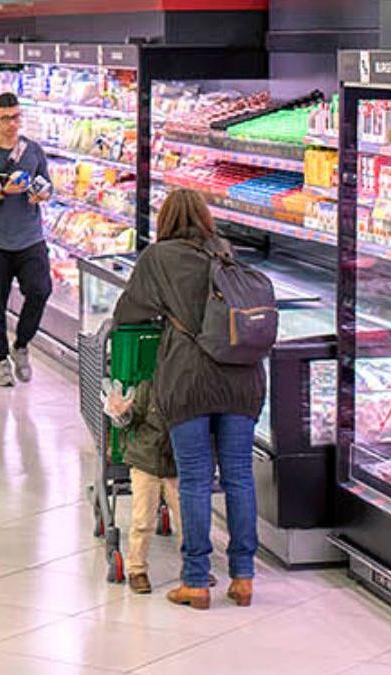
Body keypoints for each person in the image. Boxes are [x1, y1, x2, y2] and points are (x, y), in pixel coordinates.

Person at [113, 189, 266, 610]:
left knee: (195, 478)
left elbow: (128, 313)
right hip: (242, 379)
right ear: (205, 219)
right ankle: (243, 577)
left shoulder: (158, 258)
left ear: (165, 221)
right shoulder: (225, 252)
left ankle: (197, 581)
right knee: (238, 476)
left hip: (189, 379)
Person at [0, 92, 53, 388]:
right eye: (6, 118)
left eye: (16, 117)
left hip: (30, 237)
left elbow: (47, 183)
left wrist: (42, 193)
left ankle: (22, 344)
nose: (12, 123)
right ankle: (1, 359)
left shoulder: (33, 150)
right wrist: (0, 193)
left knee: (40, 290)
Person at [104, 379, 181, 595]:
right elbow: (130, 418)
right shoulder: (148, 388)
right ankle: (136, 569)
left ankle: (193, 565)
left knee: (188, 520)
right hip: (145, 462)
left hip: (177, 464)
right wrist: (121, 414)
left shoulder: (191, 389)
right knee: (142, 519)